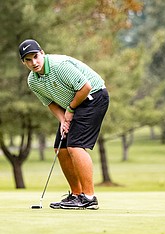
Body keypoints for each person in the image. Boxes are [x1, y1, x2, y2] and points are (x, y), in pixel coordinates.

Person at [19, 39, 109, 210]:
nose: (34, 62)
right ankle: (76, 195)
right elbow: (50, 103)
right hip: (74, 105)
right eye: (28, 60)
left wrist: (70, 109)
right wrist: (63, 120)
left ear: (42, 53)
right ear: (23, 62)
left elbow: (86, 87)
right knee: (61, 149)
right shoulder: (33, 81)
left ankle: (89, 197)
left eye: (36, 57)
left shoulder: (59, 66)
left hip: (94, 97)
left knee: (75, 146)